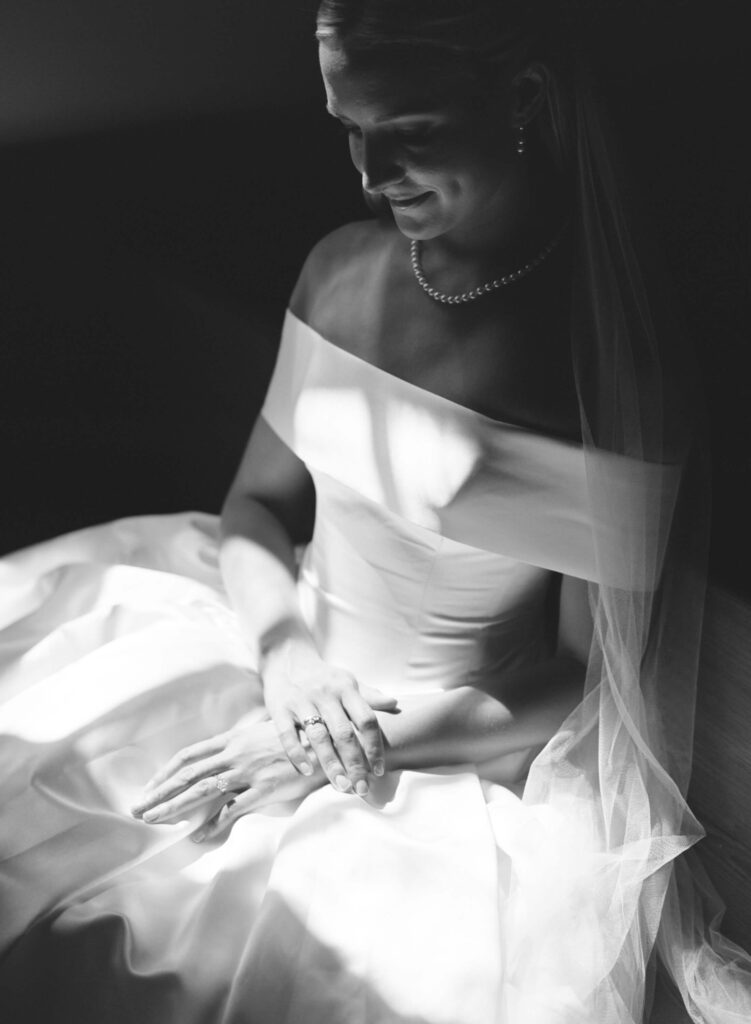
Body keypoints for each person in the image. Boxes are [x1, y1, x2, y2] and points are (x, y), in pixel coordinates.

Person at [1, 1, 750, 1022]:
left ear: (524, 99)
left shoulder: (607, 374)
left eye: (409, 129)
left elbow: (577, 679)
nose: (370, 172)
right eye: (350, 128)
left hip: (434, 741)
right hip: (269, 643)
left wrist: (326, 750)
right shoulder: (339, 269)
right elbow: (256, 506)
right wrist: (288, 664)